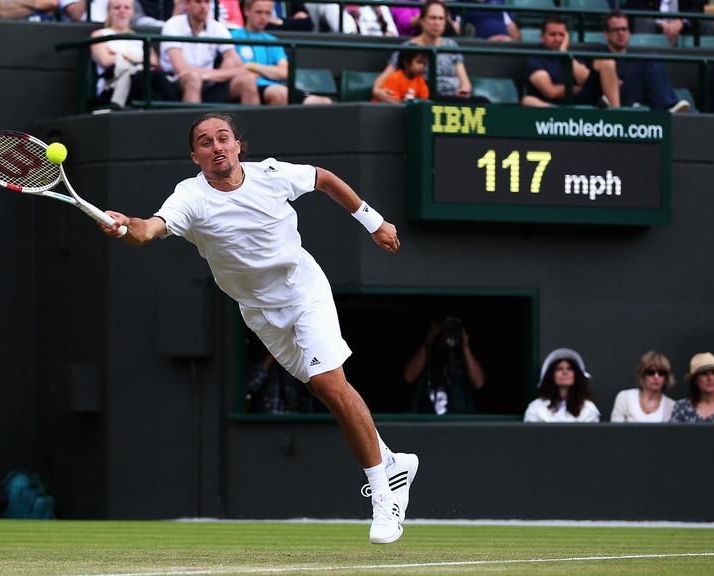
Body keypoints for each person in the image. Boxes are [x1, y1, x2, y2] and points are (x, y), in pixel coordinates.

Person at [98, 112, 419, 544]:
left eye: (223, 138)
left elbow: (324, 178)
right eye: (205, 142)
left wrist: (373, 220)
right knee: (323, 389)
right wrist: (126, 227)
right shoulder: (188, 198)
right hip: (258, 311)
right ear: (196, 156)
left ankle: (384, 496)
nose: (216, 147)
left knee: (329, 383)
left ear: (236, 145)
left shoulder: (271, 174)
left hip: (304, 291)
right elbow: (148, 230)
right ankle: (392, 462)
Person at [372, 1, 479, 102]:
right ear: (422, 21)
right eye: (432, 18)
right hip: (427, 99)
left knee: (483, 103)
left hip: (455, 99)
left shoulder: (451, 45)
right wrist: (378, 92)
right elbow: (381, 81)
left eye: (441, 18)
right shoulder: (409, 47)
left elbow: (465, 82)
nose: (437, 23)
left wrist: (464, 91)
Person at [232, 0, 333, 106]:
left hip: (278, 87)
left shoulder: (273, 40)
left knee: (324, 102)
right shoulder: (233, 36)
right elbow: (238, 70)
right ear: (246, 11)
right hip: (255, 88)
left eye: (267, 13)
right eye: (259, 12)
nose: (263, 17)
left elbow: (284, 72)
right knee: (279, 93)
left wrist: (252, 66)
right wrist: (272, 72)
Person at [160, 0, 260, 104]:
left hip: (211, 82)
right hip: (175, 84)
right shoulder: (173, 24)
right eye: (198, 2)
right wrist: (217, 74)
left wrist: (208, 76)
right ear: (188, 4)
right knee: (193, 79)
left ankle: (251, 121)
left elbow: (239, 67)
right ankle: (193, 120)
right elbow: (180, 68)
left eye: (207, 2)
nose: (203, 6)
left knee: (248, 81)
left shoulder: (217, 27)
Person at [597, 11, 691, 113]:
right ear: (606, 34)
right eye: (616, 30)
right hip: (614, 98)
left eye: (624, 29)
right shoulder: (600, 54)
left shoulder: (634, 60)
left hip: (634, 95)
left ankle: (668, 107)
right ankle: (666, 108)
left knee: (653, 59)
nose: (621, 33)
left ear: (629, 32)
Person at [90, 0, 175, 110]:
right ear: (109, 11)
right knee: (152, 78)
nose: (122, 11)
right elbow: (105, 60)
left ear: (132, 12)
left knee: (158, 80)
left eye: (127, 8)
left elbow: (154, 62)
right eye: (117, 8)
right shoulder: (99, 34)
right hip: (114, 85)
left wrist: (122, 56)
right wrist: (140, 59)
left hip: (146, 80)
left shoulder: (140, 38)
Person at [520, 17, 621, 109]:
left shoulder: (572, 57)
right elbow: (550, 91)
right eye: (552, 34)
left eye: (561, 35)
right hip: (552, 106)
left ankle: (616, 113)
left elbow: (585, 79)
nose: (558, 39)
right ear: (542, 36)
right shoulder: (535, 59)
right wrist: (576, 89)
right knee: (528, 101)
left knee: (607, 62)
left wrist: (564, 53)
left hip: (579, 103)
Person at [402, 317, 485, 415]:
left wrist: (464, 345)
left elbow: (479, 383)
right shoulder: (427, 355)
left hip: (459, 421)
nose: (448, 333)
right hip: (426, 420)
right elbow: (408, 377)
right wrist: (428, 343)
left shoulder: (463, 357)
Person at [524, 347, 601, 423]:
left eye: (570, 369)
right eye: (559, 369)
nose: (565, 372)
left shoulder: (588, 408)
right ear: (551, 375)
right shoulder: (536, 407)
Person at [610, 350, 676, 423]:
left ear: (666, 377)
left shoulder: (672, 406)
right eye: (651, 372)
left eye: (661, 373)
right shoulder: (624, 397)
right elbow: (616, 431)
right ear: (642, 374)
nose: (656, 377)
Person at [624, 0, 714, 46]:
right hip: (654, 22)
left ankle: (706, 75)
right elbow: (636, 6)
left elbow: (698, 7)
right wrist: (660, 23)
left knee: (707, 25)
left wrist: (682, 22)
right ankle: (643, 67)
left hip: (685, 25)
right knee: (643, 22)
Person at [671, 352, 714, 423]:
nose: (710, 378)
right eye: (704, 373)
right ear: (695, 380)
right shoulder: (681, 407)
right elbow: (672, 433)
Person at [0, 0, 85, 22]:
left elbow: (51, 3)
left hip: (42, 34)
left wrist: (13, 2)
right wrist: (36, 4)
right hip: (4, 33)